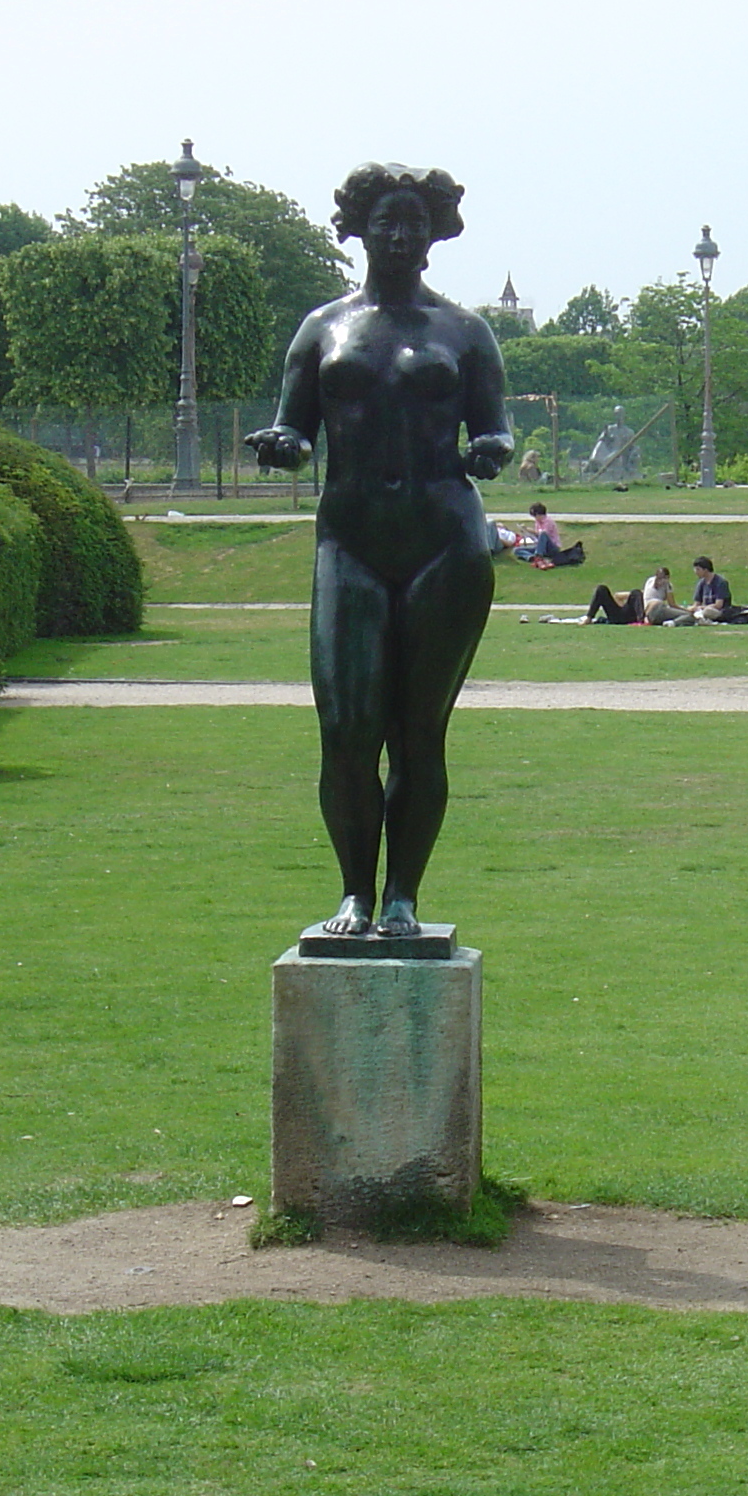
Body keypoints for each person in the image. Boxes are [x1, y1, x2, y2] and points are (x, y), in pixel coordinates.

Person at [242, 163, 510, 940]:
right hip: (351, 543)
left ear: (435, 236)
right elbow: (295, 423)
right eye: (386, 220)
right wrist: (284, 443)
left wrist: (493, 446)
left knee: (419, 731)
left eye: (414, 222)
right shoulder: (324, 329)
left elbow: (494, 425)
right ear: (359, 230)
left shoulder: (464, 332)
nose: (399, 235)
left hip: (445, 542)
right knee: (348, 730)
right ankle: (354, 892)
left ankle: (403, 898)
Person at [583, 567, 676, 625]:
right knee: (601, 589)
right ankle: (589, 617)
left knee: (636, 592)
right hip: (627, 615)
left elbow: (671, 604)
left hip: (630, 615)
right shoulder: (656, 583)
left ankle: (642, 619)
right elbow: (672, 604)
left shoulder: (660, 585)